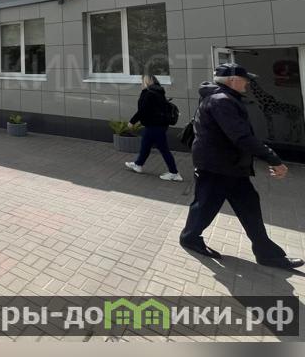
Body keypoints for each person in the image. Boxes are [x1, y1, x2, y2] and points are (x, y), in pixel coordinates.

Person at [179, 64, 304, 270]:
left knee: (248, 206)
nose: (247, 83)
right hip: (216, 166)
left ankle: (266, 253)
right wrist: (273, 158)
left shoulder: (221, 97)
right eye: (245, 79)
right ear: (233, 80)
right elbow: (241, 136)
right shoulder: (222, 101)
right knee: (206, 205)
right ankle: (189, 238)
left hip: (230, 166)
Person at [124, 74, 181, 181]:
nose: (141, 83)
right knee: (145, 145)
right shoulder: (158, 91)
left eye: (142, 81)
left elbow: (142, 110)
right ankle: (138, 165)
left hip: (155, 126)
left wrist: (132, 122)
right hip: (156, 125)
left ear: (147, 81)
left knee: (163, 149)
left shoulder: (149, 93)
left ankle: (174, 173)